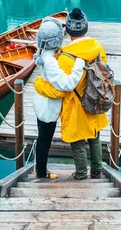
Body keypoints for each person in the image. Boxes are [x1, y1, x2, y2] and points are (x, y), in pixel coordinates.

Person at [34, 8, 109, 180]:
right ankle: (97, 171)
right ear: (86, 27)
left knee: (78, 143)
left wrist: (39, 85)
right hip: (96, 100)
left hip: (76, 106)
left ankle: (81, 175)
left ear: (67, 31)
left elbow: (60, 89)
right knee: (95, 137)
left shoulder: (65, 57)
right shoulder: (98, 49)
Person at [33, 17, 86, 179]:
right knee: (44, 141)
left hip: (41, 102)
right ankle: (41, 173)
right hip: (48, 107)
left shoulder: (44, 53)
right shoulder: (50, 61)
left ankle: (40, 170)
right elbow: (66, 84)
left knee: (42, 138)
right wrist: (79, 63)